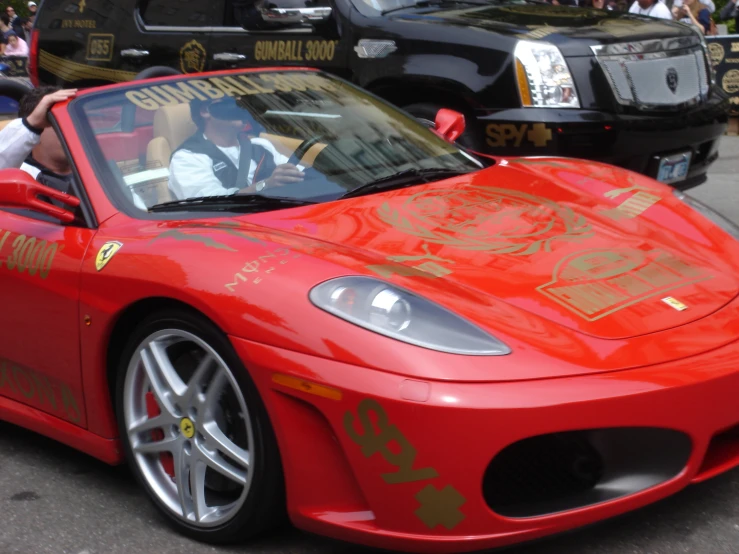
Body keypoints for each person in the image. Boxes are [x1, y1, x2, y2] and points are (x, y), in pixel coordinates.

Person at [168, 97, 307, 199]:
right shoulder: (187, 158)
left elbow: (302, 175)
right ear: (206, 111)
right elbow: (209, 205)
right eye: (231, 102)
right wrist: (265, 185)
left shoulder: (260, 145)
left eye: (243, 103)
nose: (241, 109)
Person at [0, 87, 77, 170]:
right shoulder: (18, 175)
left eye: (77, 121)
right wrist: (30, 125)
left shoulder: (91, 169)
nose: (74, 130)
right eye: (61, 122)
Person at [16, 87, 73, 192]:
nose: (72, 129)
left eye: (74, 120)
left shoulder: (102, 170)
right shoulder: (17, 180)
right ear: (34, 130)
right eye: (60, 122)